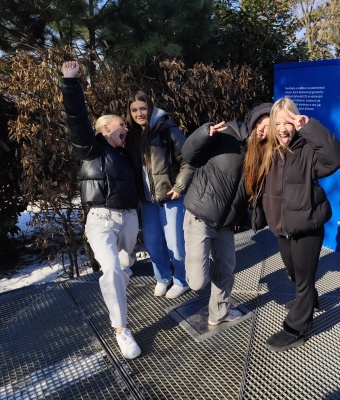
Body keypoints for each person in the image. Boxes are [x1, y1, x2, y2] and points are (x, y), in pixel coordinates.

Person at [60, 61, 141, 359]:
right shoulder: (91, 149)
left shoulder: (124, 154)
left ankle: (121, 272)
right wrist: (70, 82)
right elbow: (76, 121)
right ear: (106, 128)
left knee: (125, 261)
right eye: (122, 124)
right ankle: (121, 329)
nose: (126, 128)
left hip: (129, 218)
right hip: (101, 220)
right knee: (111, 270)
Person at [252, 97, 340, 351]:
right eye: (277, 124)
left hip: (307, 226)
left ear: (296, 122)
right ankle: (309, 299)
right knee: (294, 273)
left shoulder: (307, 150)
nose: (283, 129)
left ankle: (297, 327)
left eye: (288, 123)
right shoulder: (269, 150)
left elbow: (336, 158)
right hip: (282, 227)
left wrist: (309, 127)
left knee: (304, 279)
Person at [181, 103, 272, 326]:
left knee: (226, 271)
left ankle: (218, 314)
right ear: (253, 119)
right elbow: (188, 155)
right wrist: (204, 134)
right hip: (201, 215)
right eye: (261, 123)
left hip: (226, 223)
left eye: (269, 127)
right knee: (197, 282)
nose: (263, 129)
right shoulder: (227, 133)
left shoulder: (264, 153)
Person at [125, 91, 195, 298]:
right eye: (134, 110)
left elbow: (189, 159)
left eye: (143, 108)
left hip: (171, 198)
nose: (139, 113)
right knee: (153, 244)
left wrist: (180, 186)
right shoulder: (131, 134)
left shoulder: (167, 129)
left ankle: (182, 280)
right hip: (147, 201)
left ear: (151, 107)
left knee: (176, 244)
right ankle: (163, 277)